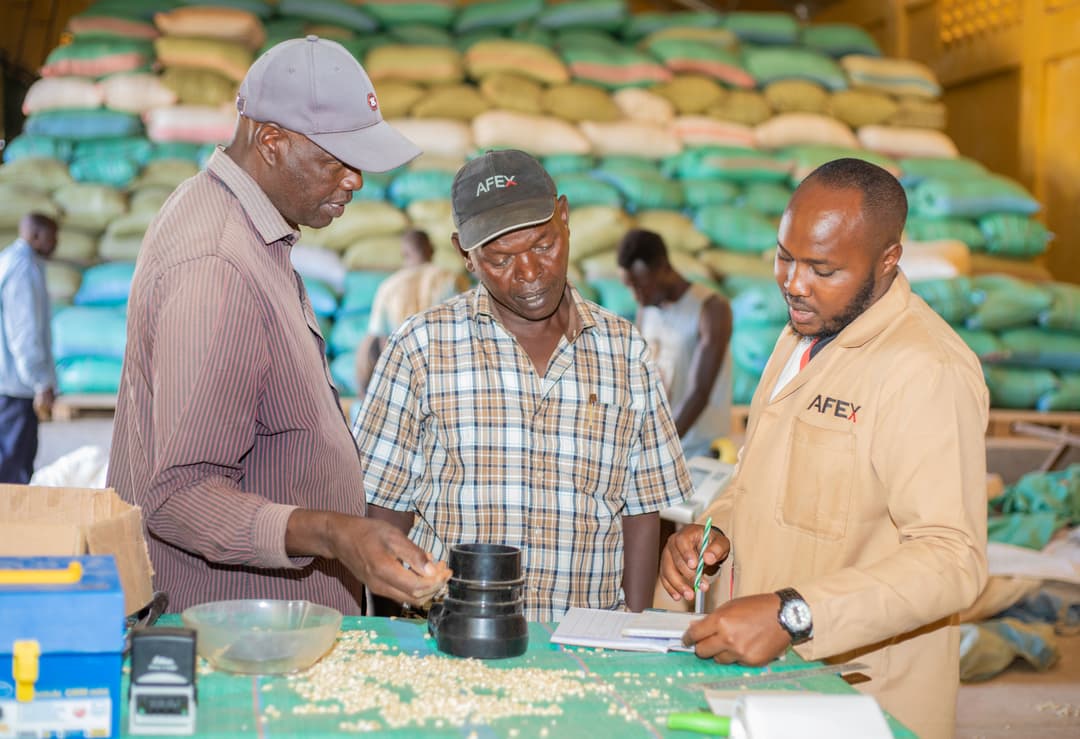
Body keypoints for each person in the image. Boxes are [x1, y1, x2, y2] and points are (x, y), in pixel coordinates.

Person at [107, 36, 450, 615]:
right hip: (236, 637)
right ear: (271, 142)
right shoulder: (217, 265)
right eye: (336, 160)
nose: (355, 181)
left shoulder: (246, 229)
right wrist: (334, 534)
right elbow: (180, 496)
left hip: (266, 630)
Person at [658, 158, 988, 739]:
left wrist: (794, 612)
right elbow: (763, 480)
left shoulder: (925, 370)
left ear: (887, 261)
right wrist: (715, 528)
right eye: (785, 256)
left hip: (859, 699)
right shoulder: (800, 337)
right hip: (770, 680)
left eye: (823, 268)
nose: (793, 283)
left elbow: (951, 559)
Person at [354, 149, 694, 622]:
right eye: (499, 258)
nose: (530, 273)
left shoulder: (624, 350)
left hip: (584, 640)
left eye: (543, 245)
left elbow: (641, 511)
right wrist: (397, 639)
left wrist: (629, 632)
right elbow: (383, 514)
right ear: (465, 255)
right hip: (452, 641)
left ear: (565, 217)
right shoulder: (421, 348)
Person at [617, 228, 733, 459]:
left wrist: (659, 448)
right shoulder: (646, 309)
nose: (636, 296)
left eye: (641, 285)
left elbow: (699, 392)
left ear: (663, 267)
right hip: (663, 445)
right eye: (630, 287)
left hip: (699, 449)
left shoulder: (710, 309)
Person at [355, 229, 468, 397]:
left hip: (404, 368)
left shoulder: (388, 286)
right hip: (446, 364)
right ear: (432, 250)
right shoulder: (451, 278)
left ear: (404, 254)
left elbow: (381, 340)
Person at [0, 213, 58, 483]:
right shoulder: (23, 269)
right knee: (14, 469)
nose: (55, 243)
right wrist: (40, 381)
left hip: (9, 383)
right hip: (16, 387)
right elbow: (23, 333)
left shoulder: (9, 260)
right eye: (51, 237)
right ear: (35, 235)